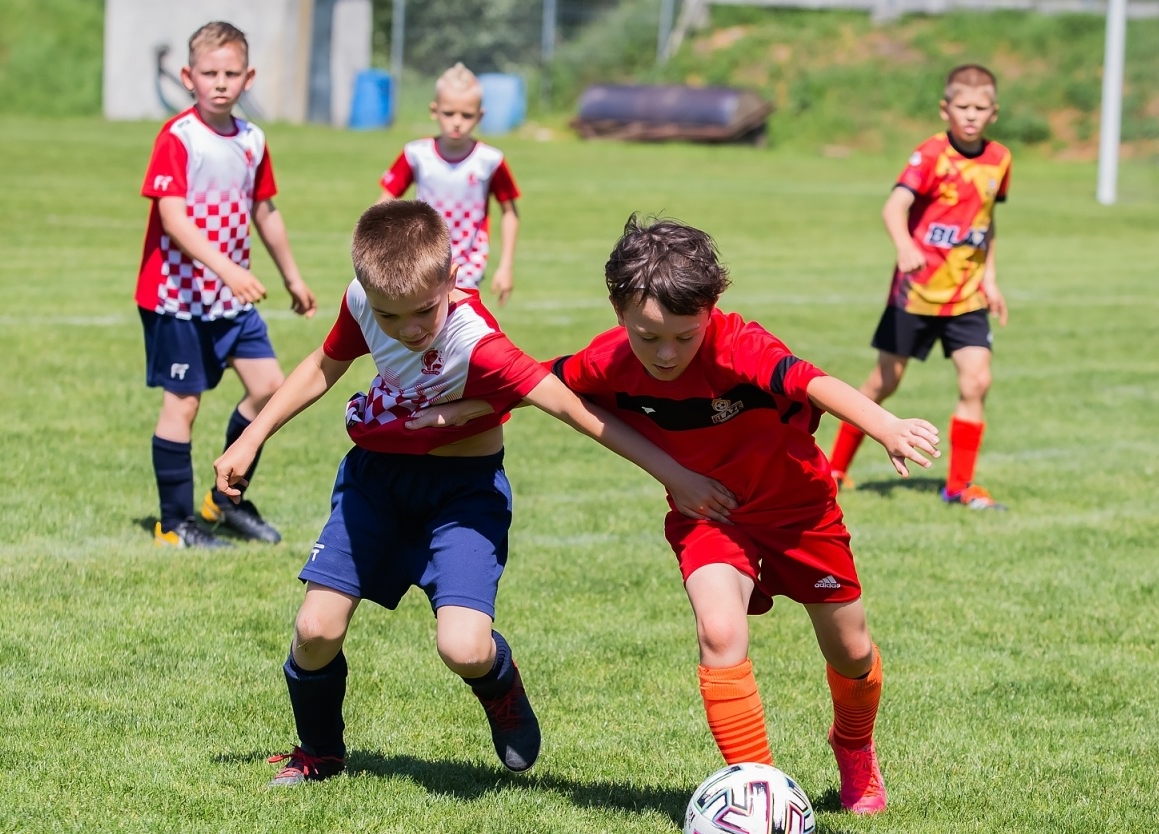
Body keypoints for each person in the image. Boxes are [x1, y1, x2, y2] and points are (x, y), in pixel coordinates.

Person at [212, 202, 735, 787]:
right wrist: (252, 437)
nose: (409, 329)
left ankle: (500, 687)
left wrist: (674, 475)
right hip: (375, 485)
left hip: (462, 497)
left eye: (423, 311)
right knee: (315, 631)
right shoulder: (363, 301)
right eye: (390, 316)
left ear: (452, 279)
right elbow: (322, 366)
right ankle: (320, 752)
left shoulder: (478, 344)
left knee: (463, 647)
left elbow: (575, 410)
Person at [549, 217, 940, 813]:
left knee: (852, 651)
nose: (666, 353)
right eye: (647, 336)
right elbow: (538, 385)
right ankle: (757, 795)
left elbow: (812, 382)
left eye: (684, 336)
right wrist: (454, 407)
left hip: (800, 513)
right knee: (720, 631)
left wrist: (884, 425)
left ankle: (854, 748)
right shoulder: (608, 360)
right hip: (711, 516)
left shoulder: (739, 345)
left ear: (711, 307)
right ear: (617, 311)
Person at [135, 21, 317, 549]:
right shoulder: (178, 137)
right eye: (209, 73)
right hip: (179, 299)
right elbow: (174, 219)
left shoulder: (253, 140)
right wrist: (230, 270)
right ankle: (174, 524)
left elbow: (266, 211)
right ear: (189, 77)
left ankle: (224, 501)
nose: (220, 82)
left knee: (269, 390)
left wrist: (293, 277)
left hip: (228, 301)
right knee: (183, 403)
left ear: (248, 77)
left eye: (231, 73)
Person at [826, 64, 1011, 511]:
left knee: (977, 381)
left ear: (994, 112)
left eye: (980, 108)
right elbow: (895, 207)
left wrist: (990, 277)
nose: (970, 115)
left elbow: (987, 222)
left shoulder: (999, 160)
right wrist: (905, 245)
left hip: (966, 296)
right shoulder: (930, 155)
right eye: (962, 107)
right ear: (945, 109)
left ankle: (959, 488)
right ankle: (833, 470)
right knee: (883, 383)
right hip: (916, 293)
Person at [377, 63, 521, 306]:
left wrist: (505, 266)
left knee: (457, 332)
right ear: (434, 111)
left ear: (480, 116)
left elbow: (510, 213)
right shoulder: (416, 154)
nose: (457, 122)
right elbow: (384, 204)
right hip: (420, 258)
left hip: (468, 266)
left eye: (466, 115)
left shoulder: (490, 161)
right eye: (448, 113)